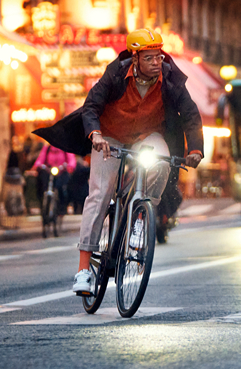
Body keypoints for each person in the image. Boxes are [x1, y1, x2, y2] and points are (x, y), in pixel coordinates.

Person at [33, 28, 203, 295]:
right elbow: (91, 106)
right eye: (149, 58)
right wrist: (96, 134)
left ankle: (140, 219)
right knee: (99, 194)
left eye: (158, 56)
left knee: (160, 162)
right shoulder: (115, 74)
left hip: (148, 136)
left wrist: (195, 149)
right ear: (134, 59)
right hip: (109, 137)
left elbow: (191, 115)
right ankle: (83, 270)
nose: (157, 62)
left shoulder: (170, 79)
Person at [30, 142, 76, 216]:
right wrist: (37, 165)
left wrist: (70, 166)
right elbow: (41, 158)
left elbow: (71, 159)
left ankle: (62, 207)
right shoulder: (47, 147)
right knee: (42, 183)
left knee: (62, 187)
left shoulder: (65, 147)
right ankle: (43, 204)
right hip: (49, 170)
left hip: (61, 170)